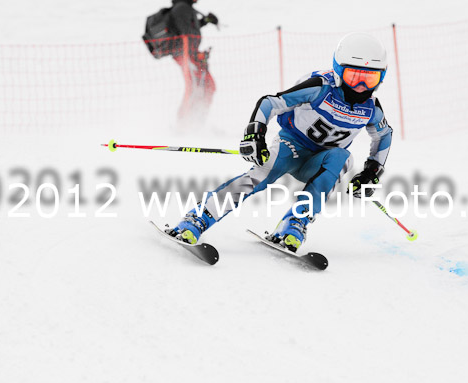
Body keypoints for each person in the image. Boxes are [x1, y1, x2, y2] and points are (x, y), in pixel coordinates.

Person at [166, 32, 394, 252]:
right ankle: (198, 218)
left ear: (381, 78)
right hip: (292, 146)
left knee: (343, 158)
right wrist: (254, 134)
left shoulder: (371, 108)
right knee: (261, 175)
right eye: (353, 77)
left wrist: (371, 172)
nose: (360, 86)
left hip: (320, 162)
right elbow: (270, 103)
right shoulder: (320, 87)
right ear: (338, 70)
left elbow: (384, 135)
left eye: (370, 78)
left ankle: (295, 223)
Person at [169, 0, 219, 128]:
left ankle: (197, 123)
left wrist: (204, 21)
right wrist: (196, 56)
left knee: (208, 86)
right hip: (186, 55)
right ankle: (183, 125)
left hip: (191, 54)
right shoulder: (181, 8)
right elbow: (184, 35)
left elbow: (190, 29)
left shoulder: (185, 7)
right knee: (195, 88)